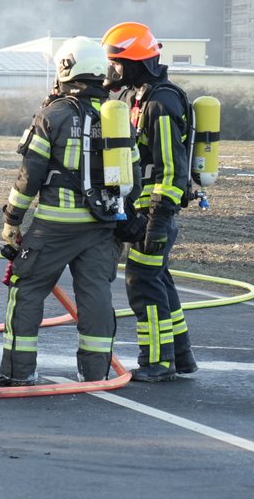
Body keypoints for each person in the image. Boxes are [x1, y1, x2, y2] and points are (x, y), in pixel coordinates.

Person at [0, 37, 135, 387]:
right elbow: (134, 176)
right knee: (95, 297)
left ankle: (16, 372)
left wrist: (11, 221)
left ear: (65, 68)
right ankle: (95, 375)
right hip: (103, 227)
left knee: (26, 290)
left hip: (55, 226)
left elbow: (30, 175)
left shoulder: (53, 114)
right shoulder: (117, 116)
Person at [102, 21, 198, 382]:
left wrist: (157, 220)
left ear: (138, 62)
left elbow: (171, 170)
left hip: (154, 212)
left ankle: (156, 362)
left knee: (142, 283)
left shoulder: (161, 102)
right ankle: (182, 356)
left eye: (118, 62)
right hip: (141, 209)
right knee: (158, 279)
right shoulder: (137, 95)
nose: (113, 68)